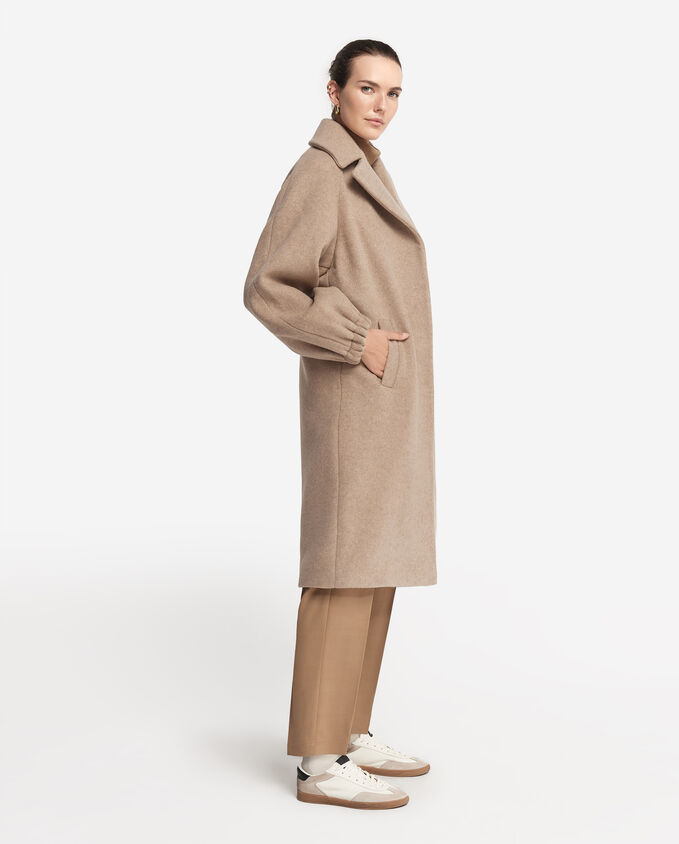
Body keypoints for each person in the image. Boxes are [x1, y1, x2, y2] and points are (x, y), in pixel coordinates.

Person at [243, 39, 437, 810]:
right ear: (333, 91)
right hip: (352, 396)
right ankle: (319, 763)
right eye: (367, 88)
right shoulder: (321, 171)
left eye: (394, 93)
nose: (381, 105)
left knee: (373, 564)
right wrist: (360, 343)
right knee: (340, 567)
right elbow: (268, 287)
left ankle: (348, 731)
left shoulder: (365, 167)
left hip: (382, 401)